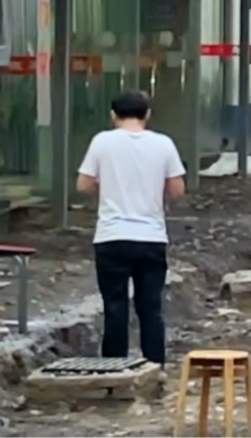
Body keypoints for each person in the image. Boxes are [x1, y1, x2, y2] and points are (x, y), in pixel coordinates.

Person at [76, 90, 185, 366]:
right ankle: (154, 366)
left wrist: (107, 184)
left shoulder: (102, 142)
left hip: (111, 237)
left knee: (115, 307)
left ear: (113, 115)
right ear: (147, 114)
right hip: (151, 237)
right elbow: (177, 190)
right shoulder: (164, 144)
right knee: (150, 308)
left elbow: (83, 184)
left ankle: (114, 369)